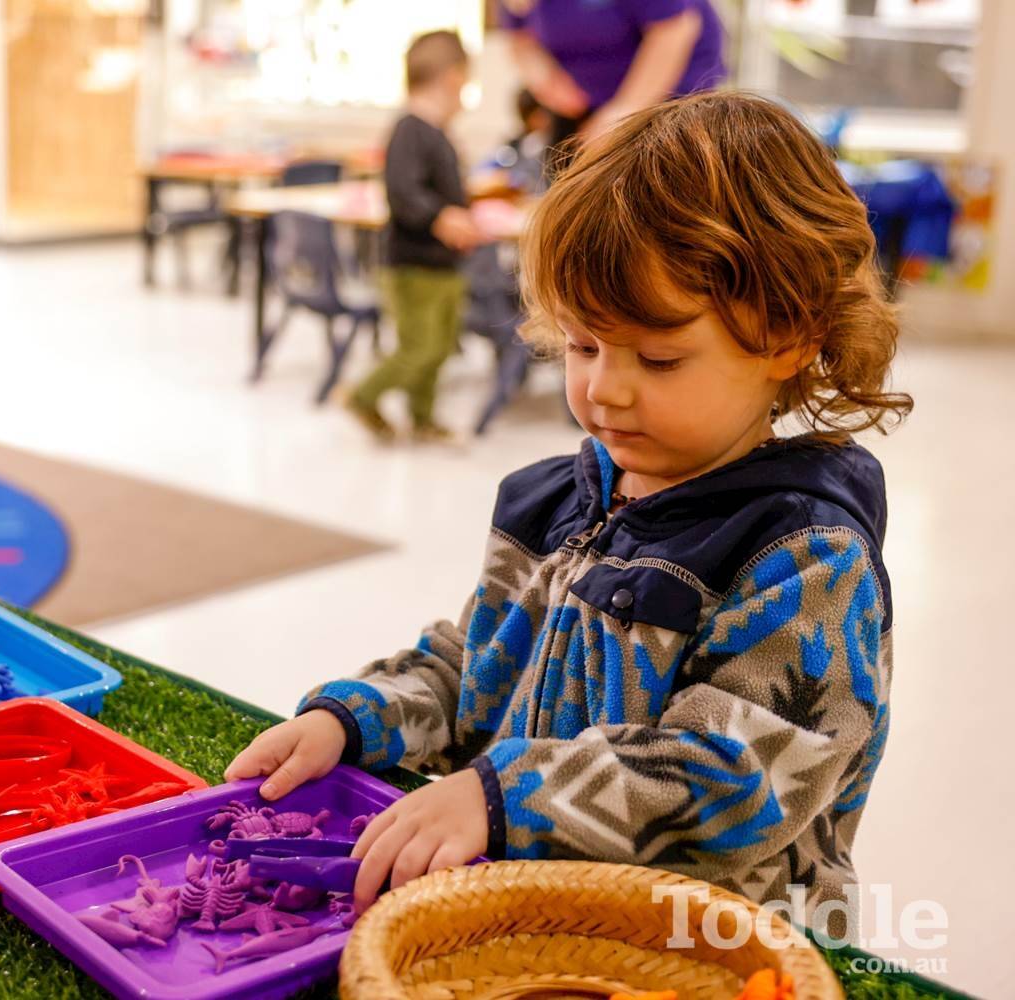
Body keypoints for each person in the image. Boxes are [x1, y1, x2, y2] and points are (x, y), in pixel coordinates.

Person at [226, 93, 910, 933]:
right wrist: (353, 718)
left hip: (703, 950)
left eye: (658, 358)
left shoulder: (806, 560)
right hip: (533, 921)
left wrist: (502, 796)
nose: (602, 388)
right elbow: (474, 666)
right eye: (583, 345)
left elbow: (732, 782)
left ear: (790, 337)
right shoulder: (556, 500)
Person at [345, 30, 483, 444]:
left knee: (440, 347)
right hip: (413, 264)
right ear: (453, 78)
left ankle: (423, 419)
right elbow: (402, 192)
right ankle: (361, 395)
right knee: (418, 347)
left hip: (443, 264)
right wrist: (441, 217)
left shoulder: (438, 132)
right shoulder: (410, 128)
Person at [500, 0, 726, 143]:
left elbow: (673, 29)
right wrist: (546, 80)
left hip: (671, 101)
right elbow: (519, 38)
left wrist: (623, 112)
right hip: (585, 105)